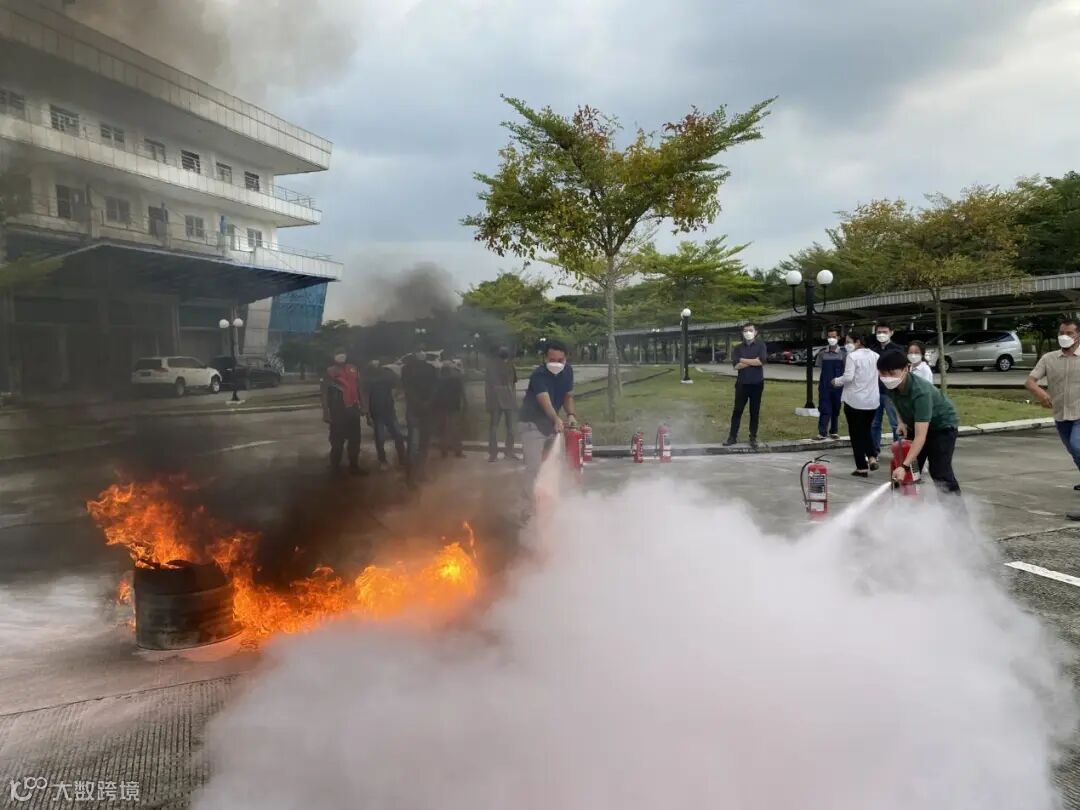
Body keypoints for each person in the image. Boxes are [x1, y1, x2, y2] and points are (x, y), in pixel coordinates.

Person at [878, 349, 961, 495]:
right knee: (911, 468)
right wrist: (901, 422)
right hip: (917, 423)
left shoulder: (921, 392)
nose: (887, 378)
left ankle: (954, 508)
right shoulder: (891, 385)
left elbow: (920, 436)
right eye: (883, 373)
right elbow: (896, 402)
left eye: (891, 373)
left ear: (906, 369)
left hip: (942, 427)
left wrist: (904, 466)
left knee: (939, 471)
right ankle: (908, 506)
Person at [1026, 319, 1080, 519]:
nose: (1064, 336)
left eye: (1069, 333)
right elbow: (1030, 381)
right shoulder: (1049, 358)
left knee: (1077, 446)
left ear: (1078, 335)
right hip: (1061, 415)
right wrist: (1040, 393)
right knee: (1074, 452)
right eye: (1061, 332)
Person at [519, 340, 576, 492]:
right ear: (545, 359)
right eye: (552, 360)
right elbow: (544, 400)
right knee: (534, 468)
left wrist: (571, 414)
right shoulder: (539, 375)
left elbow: (568, 396)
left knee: (554, 464)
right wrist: (556, 419)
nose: (556, 364)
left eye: (560, 360)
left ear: (566, 359)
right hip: (532, 425)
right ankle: (528, 502)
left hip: (550, 424)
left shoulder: (568, 371)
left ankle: (551, 497)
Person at [833, 331, 880, 477]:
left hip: (854, 401)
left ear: (858, 342)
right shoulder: (876, 356)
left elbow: (848, 377)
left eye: (848, 342)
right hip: (872, 401)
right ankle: (872, 456)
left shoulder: (852, 356)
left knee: (856, 434)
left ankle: (861, 467)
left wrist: (836, 381)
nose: (846, 345)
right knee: (866, 430)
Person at [321, 347, 365, 475]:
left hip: (353, 408)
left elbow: (359, 387)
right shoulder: (330, 371)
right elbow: (324, 392)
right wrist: (325, 411)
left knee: (355, 439)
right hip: (338, 410)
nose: (341, 356)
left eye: (342, 353)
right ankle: (335, 467)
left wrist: (363, 405)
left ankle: (354, 466)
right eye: (338, 354)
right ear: (333, 356)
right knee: (337, 440)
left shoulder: (353, 368)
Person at [723, 322, 767, 450]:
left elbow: (761, 361)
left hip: (757, 383)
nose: (748, 333)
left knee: (754, 411)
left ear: (756, 332)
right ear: (742, 333)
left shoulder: (761, 345)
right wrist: (753, 361)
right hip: (742, 384)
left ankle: (753, 437)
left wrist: (742, 359)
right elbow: (736, 366)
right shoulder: (738, 348)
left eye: (750, 330)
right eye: (745, 330)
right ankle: (732, 437)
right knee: (737, 411)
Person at [869, 322, 903, 464]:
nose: (881, 335)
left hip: (891, 392)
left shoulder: (898, 350)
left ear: (891, 332)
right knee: (874, 424)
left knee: (895, 424)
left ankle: (899, 452)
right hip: (875, 391)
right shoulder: (873, 350)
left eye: (884, 332)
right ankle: (873, 452)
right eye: (879, 332)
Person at [364, 359, 407, 471]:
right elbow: (365, 397)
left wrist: (396, 394)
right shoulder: (369, 379)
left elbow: (399, 383)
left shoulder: (385, 375)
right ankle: (384, 460)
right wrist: (367, 414)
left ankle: (401, 459)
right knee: (381, 438)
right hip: (378, 413)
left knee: (395, 436)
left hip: (387, 411)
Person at [401, 351, 438, 476]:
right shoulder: (409, 369)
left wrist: (424, 402)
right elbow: (408, 388)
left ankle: (417, 473)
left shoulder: (428, 368)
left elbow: (434, 387)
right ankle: (414, 473)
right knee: (418, 443)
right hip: (419, 410)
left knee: (420, 443)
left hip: (420, 409)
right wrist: (426, 403)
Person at [485, 346, 518, 461]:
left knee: (494, 427)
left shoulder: (492, 366)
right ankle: (509, 451)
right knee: (509, 427)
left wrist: (488, 401)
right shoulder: (510, 366)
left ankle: (493, 453)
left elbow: (488, 386)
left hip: (496, 399)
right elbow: (513, 385)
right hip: (507, 398)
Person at [814, 327, 847, 440]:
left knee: (836, 408)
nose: (831, 339)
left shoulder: (843, 354)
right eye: (829, 337)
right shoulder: (822, 354)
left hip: (838, 386)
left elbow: (846, 370)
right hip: (824, 386)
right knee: (824, 408)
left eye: (833, 336)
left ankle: (834, 431)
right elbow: (820, 368)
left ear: (838, 337)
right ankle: (822, 432)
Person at [435, 363, 467, 458]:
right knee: (455, 430)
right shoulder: (456, 380)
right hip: (454, 407)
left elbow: (435, 395)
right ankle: (458, 451)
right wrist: (465, 403)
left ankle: (444, 451)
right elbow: (462, 393)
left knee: (443, 430)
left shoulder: (439, 381)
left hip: (442, 407)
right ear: (450, 372)